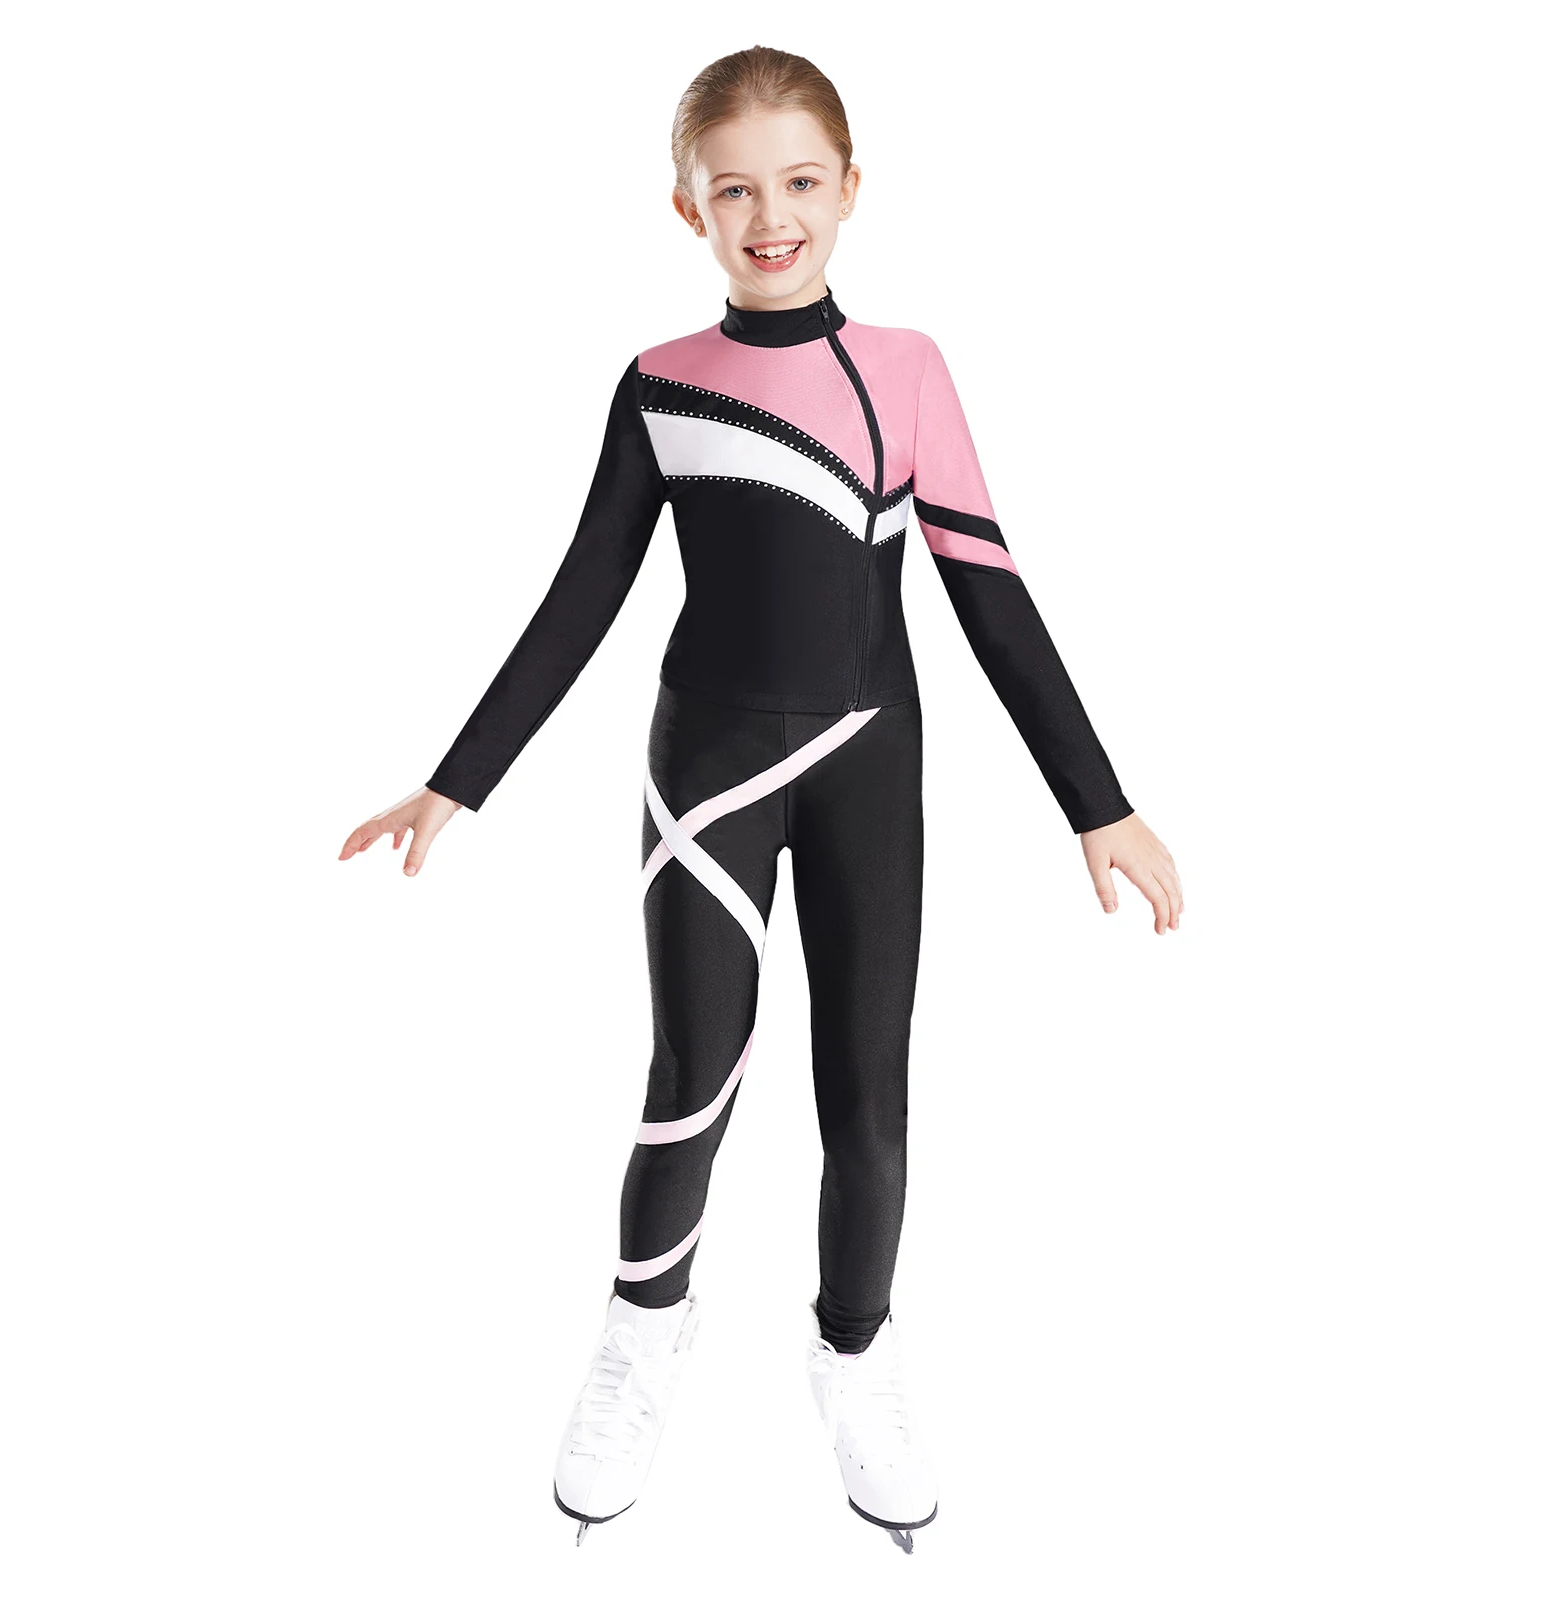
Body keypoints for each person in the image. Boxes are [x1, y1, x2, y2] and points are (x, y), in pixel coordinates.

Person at [339, 45, 1182, 1554]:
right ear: (688, 208)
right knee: (692, 1077)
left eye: (800, 182)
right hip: (705, 775)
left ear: (852, 190)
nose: (770, 215)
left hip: (870, 764)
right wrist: (456, 779)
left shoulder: (906, 369)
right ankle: (641, 1333)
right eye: (734, 190)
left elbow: (990, 591)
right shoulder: (660, 382)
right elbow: (583, 594)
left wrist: (1097, 802)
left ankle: (855, 1352)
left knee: (868, 1097)